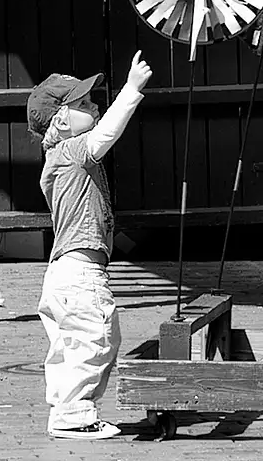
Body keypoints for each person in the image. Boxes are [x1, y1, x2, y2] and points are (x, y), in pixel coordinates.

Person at [27, 50, 153, 440]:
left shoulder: (61, 159)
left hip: (64, 275)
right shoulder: (70, 152)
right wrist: (131, 90)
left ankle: (65, 410)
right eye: (84, 104)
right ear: (62, 121)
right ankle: (74, 415)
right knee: (97, 337)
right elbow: (104, 136)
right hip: (80, 274)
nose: (94, 106)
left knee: (71, 346)